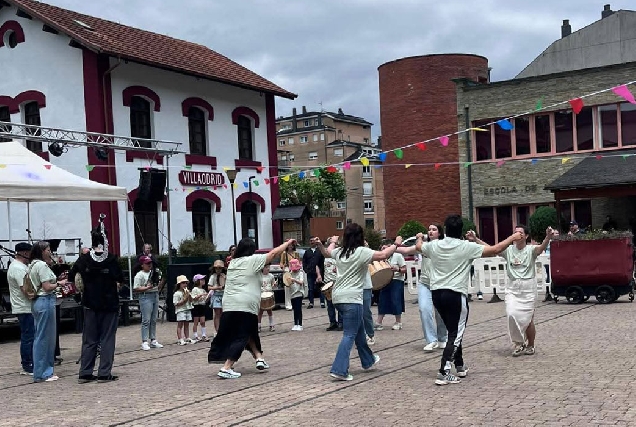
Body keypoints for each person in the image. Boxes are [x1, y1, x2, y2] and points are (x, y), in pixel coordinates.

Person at [401, 215, 522, 386]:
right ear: (461, 231)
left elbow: (420, 247)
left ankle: (459, 365)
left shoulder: (435, 245)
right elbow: (495, 250)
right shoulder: (466, 246)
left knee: (453, 330)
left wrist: (420, 237)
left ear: (445, 229)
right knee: (455, 333)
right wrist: (512, 237)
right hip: (455, 293)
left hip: (437, 293)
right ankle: (444, 371)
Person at [318, 224, 401, 381]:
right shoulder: (361, 251)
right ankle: (339, 369)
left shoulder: (340, 251)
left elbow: (327, 253)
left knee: (359, 331)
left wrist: (331, 242)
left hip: (337, 297)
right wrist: (396, 244)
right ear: (360, 237)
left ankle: (368, 360)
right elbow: (383, 254)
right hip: (352, 299)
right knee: (349, 334)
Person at [208, 238, 296, 379]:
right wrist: (287, 243)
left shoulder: (233, 263)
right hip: (245, 305)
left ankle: (259, 357)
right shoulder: (252, 260)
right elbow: (273, 254)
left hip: (229, 304)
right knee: (241, 336)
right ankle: (227, 367)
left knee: (249, 332)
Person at [469, 225, 554, 356]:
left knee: (528, 319)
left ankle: (530, 345)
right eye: (515, 232)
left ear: (526, 236)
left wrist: (547, 237)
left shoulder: (530, 250)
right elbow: (492, 249)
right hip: (513, 288)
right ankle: (519, 343)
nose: (517, 234)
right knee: (511, 314)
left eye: (520, 233)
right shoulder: (508, 250)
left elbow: (541, 248)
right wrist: (476, 239)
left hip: (528, 288)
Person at [70, 222, 124, 383]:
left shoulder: (84, 259)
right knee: (107, 339)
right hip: (109, 304)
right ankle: (104, 372)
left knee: (89, 340)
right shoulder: (111, 259)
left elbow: (72, 276)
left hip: (90, 304)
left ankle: (85, 372)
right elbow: (120, 279)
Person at [400, 224, 448, 351]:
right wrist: (393, 247)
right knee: (424, 309)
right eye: (429, 229)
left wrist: (419, 238)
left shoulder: (443, 245)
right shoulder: (424, 246)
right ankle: (431, 340)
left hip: (440, 284)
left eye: (434, 230)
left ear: (439, 233)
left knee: (441, 312)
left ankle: (442, 338)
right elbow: (406, 250)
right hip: (425, 283)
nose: (430, 231)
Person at [28, 241, 62, 382]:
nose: (50, 252)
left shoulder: (32, 264)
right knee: (46, 338)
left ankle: (42, 370)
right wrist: (59, 283)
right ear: (42, 251)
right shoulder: (41, 265)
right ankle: (44, 372)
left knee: (41, 336)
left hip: (37, 302)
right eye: (48, 250)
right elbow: (47, 286)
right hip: (45, 300)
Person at [7, 242, 34, 375]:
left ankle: (30, 362)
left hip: (27, 307)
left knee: (30, 336)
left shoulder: (22, 266)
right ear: (25, 253)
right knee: (28, 337)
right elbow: (26, 290)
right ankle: (27, 365)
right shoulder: (18, 268)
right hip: (24, 307)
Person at [133, 256, 163, 351]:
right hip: (145, 296)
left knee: (153, 319)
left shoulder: (154, 272)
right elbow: (136, 288)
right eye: (147, 263)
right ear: (142, 265)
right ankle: (144, 341)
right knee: (146, 320)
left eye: (150, 263)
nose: (149, 265)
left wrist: (160, 283)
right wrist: (147, 287)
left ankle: (153, 339)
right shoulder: (139, 275)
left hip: (155, 294)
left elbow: (158, 285)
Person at [375, 243, 406, 331]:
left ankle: (398, 322)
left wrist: (398, 269)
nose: (383, 250)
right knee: (382, 301)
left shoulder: (398, 256)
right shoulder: (380, 257)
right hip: (384, 281)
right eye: (382, 248)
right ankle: (379, 322)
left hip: (396, 280)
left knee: (396, 300)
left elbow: (404, 269)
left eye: (385, 248)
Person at [323, 244, 342, 331]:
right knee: (329, 304)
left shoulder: (339, 255)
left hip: (337, 282)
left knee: (339, 303)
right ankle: (332, 322)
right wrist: (319, 275)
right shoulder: (324, 256)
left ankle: (341, 322)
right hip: (327, 282)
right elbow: (318, 266)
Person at [302, 236, 325, 308]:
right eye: (311, 241)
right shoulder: (307, 252)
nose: (312, 242)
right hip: (310, 273)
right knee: (310, 288)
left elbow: (322, 262)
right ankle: (311, 303)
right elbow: (304, 262)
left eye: (313, 241)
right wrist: (306, 270)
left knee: (321, 288)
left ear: (316, 242)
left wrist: (321, 271)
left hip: (319, 273)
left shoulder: (320, 251)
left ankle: (322, 302)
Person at [173, 276, 195, 345]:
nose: (185, 284)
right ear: (179, 284)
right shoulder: (177, 293)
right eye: (183, 283)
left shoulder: (187, 292)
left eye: (186, 283)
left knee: (187, 325)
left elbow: (191, 301)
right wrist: (184, 299)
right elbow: (176, 303)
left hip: (187, 309)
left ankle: (187, 337)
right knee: (180, 325)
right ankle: (180, 339)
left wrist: (189, 296)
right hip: (181, 310)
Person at [280, 241, 300, 311]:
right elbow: (281, 263)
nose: (290, 246)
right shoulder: (284, 253)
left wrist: (298, 267)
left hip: (295, 271)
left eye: (291, 245)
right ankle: (288, 304)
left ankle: (295, 303)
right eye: (289, 245)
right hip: (287, 270)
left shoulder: (296, 253)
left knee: (295, 287)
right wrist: (283, 268)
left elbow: (299, 262)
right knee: (287, 287)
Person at [208, 260, 226, 334]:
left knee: (223, 313)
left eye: (220, 268)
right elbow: (209, 287)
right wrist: (217, 288)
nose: (218, 270)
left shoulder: (224, 276)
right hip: (216, 295)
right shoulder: (213, 276)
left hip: (224, 296)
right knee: (217, 313)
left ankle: (222, 329)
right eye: (216, 268)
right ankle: (217, 331)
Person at [258, 265, 276, 332]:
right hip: (261, 294)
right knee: (260, 312)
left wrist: (274, 285)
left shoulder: (271, 276)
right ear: (262, 268)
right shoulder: (259, 276)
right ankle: (258, 326)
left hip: (269, 293)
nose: (268, 268)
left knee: (269, 311)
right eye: (266, 267)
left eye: (269, 267)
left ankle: (271, 325)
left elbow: (273, 284)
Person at [191, 274, 209, 342]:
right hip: (196, 306)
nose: (203, 281)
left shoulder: (203, 290)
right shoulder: (195, 289)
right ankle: (195, 335)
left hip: (202, 306)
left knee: (203, 321)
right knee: (196, 322)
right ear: (197, 281)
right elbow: (193, 298)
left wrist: (208, 297)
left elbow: (205, 300)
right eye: (201, 280)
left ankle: (204, 335)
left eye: (203, 279)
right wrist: (200, 295)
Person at [288, 259, 305, 331]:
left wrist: (294, 280)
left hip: (299, 293)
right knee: (295, 309)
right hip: (292, 293)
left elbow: (301, 282)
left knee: (298, 309)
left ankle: (300, 324)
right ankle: (295, 324)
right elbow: (287, 283)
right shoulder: (290, 273)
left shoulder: (300, 273)